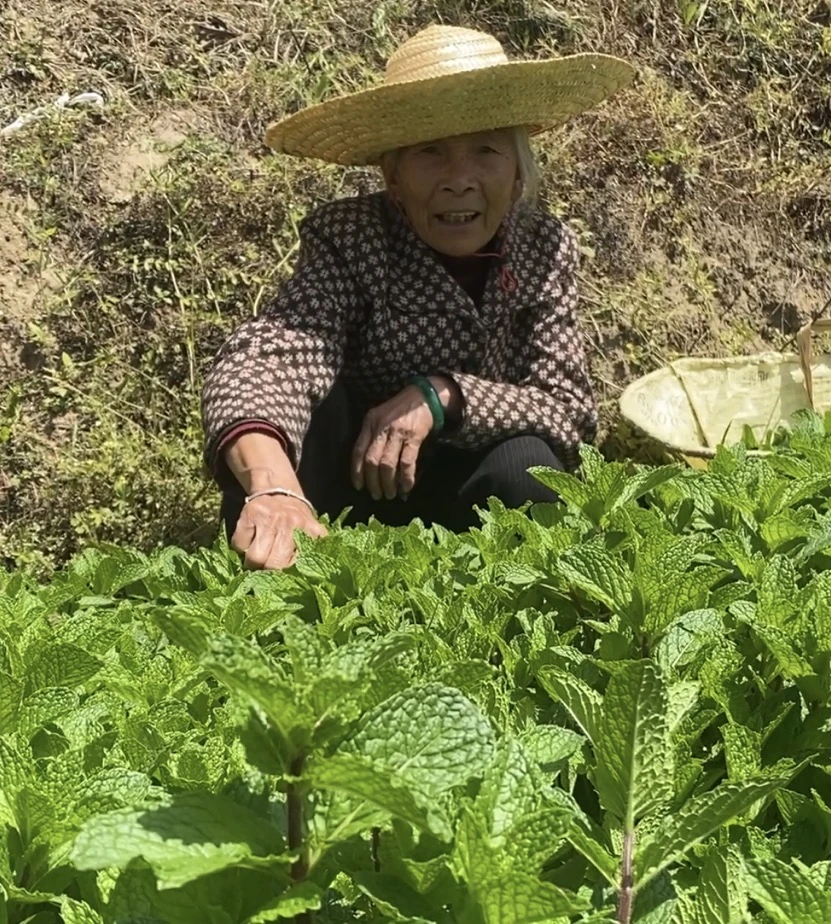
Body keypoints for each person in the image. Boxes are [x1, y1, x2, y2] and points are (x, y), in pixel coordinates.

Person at [200, 24, 635, 570]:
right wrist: (273, 484)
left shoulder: (544, 248)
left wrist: (443, 396)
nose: (460, 180)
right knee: (296, 424)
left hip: (467, 482)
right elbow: (271, 356)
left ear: (519, 175)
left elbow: (570, 412)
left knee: (528, 463)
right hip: (354, 485)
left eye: (486, 151)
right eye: (431, 153)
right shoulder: (352, 238)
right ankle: (285, 549)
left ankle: (510, 591)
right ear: (394, 177)